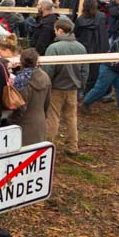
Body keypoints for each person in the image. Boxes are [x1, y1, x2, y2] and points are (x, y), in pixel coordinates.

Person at [42, 16, 87, 153]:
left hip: (56, 88)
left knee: (52, 117)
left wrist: (45, 87)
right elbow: (85, 70)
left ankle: (47, 146)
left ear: (60, 30)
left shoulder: (53, 48)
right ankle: (72, 145)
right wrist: (81, 87)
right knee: (71, 117)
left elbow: (48, 70)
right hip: (73, 88)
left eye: (55, 30)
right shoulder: (81, 47)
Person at [10, 48, 51, 146]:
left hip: (23, 125)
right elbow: (47, 102)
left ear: (21, 61)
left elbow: (20, 107)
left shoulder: (21, 81)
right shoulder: (45, 77)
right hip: (40, 121)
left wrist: (10, 120)